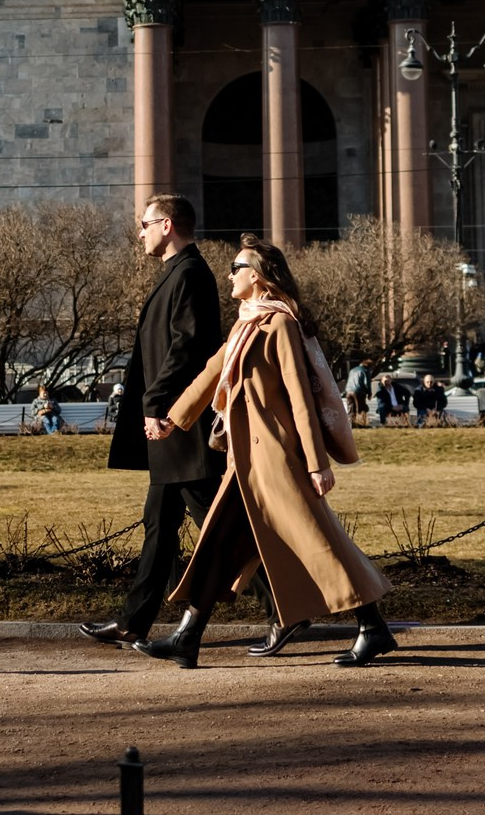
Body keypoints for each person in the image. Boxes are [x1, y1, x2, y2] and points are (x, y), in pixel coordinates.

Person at [133, 236, 395, 670]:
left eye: (236, 268)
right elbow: (210, 373)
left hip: (276, 458)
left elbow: (300, 397)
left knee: (318, 543)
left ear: (256, 277)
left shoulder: (280, 325)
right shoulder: (246, 323)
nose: (229, 275)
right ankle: (187, 636)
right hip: (244, 461)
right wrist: (171, 418)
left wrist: (317, 464)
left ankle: (372, 626)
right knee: (217, 542)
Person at [78, 195, 228, 651]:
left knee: (223, 529)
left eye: (145, 224)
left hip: (181, 425)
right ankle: (132, 623)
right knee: (160, 526)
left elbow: (186, 348)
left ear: (167, 225)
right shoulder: (178, 272)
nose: (139, 232)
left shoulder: (190, 272)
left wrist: (155, 401)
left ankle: (291, 610)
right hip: (173, 428)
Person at [344, 359, 371, 423]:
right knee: (360, 408)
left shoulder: (352, 370)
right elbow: (367, 383)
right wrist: (369, 393)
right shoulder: (365, 370)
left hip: (348, 390)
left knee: (351, 408)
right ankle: (361, 422)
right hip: (359, 391)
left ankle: (351, 423)